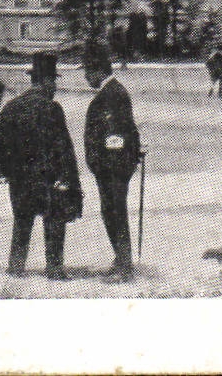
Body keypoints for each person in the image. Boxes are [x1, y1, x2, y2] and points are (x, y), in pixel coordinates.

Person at [0, 52, 83, 280]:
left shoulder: (11, 107)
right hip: (47, 180)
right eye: (53, 81)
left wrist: (5, 173)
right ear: (45, 81)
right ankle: (54, 269)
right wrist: (71, 181)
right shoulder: (52, 109)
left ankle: (15, 268)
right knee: (54, 222)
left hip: (20, 181)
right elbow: (64, 148)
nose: (54, 86)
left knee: (22, 223)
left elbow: (1, 146)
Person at [83, 44, 143, 282]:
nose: (86, 77)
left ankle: (124, 266)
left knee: (115, 212)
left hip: (113, 169)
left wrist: (106, 166)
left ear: (99, 70)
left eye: (88, 72)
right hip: (111, 168)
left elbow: (115, 136)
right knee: (112, 212)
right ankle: (121, 259)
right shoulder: (112, 92)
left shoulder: (112, 95)